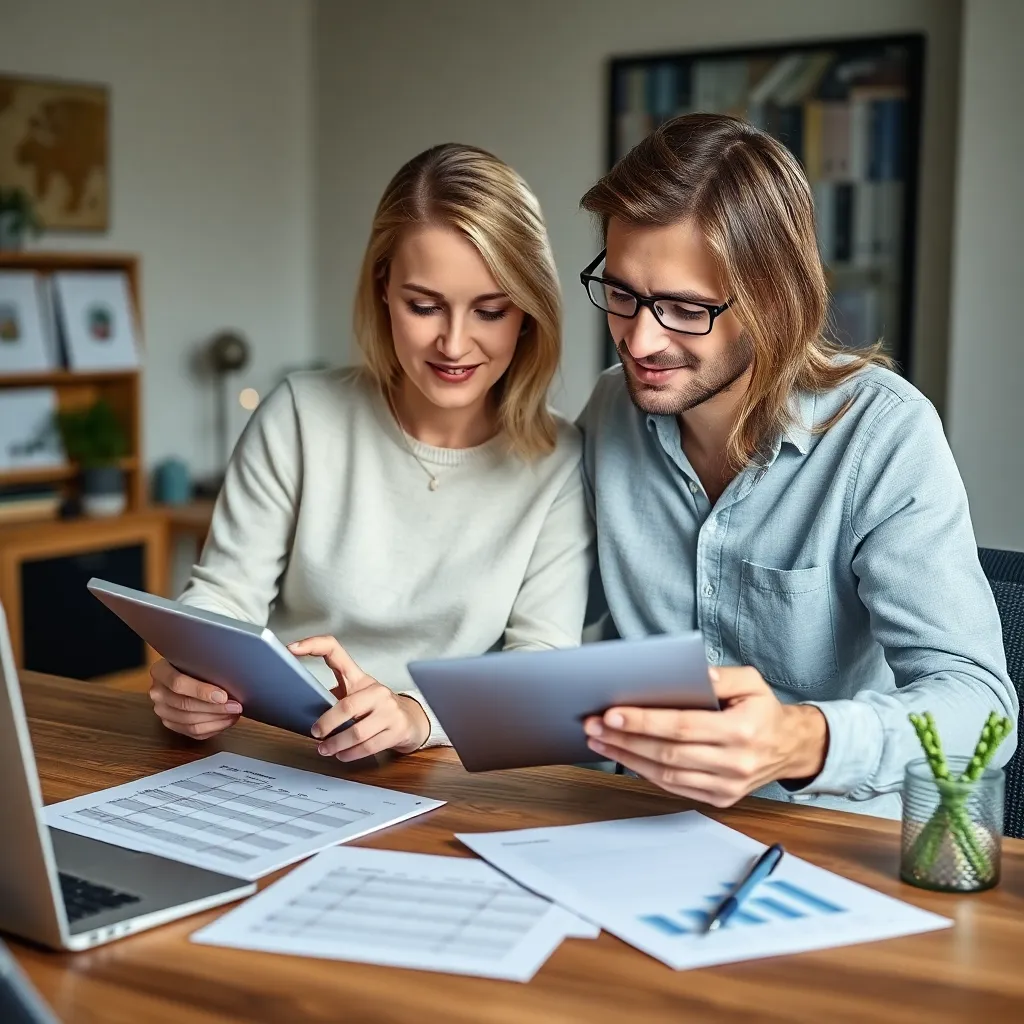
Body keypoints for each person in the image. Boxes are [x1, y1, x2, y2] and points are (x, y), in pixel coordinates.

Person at [576, 112, 1016, 818]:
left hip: (827, 838)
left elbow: (981, 709)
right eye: (623, 293)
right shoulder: (608, 411)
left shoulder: (883, 434)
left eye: (685, 309)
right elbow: (550, 624)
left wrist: (801, 740)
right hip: (641, 823)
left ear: (772, 301)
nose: (640, 339)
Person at [147, 143, 592, 761]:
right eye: (424, 305)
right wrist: (192, 669)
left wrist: (415, 717)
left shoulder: (560, 460)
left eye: (490, 310)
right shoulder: (301, 414)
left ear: (528, 315)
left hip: (446, 769)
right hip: (287, 750)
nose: (455, 343)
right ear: (383, 288)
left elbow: (542, 667)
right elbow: (224, 593)